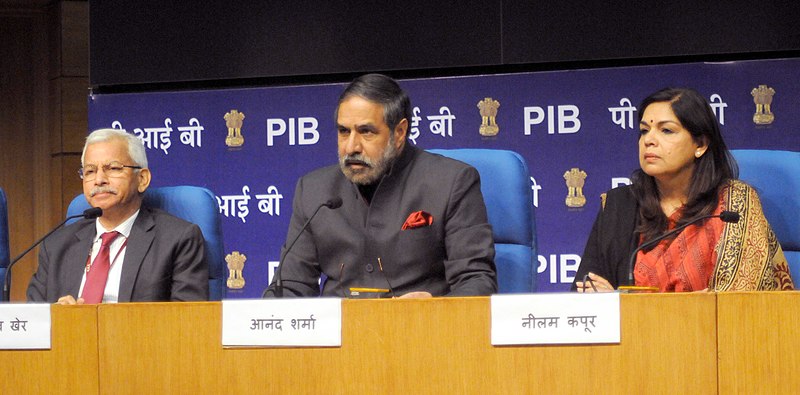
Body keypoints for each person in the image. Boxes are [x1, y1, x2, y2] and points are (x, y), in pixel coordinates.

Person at [264, 73, 497, 298]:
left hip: (419, 331)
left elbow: (477, 282)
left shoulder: (451, 183)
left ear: (399, 133)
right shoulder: (314, 191)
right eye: (344, 131)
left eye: (366, 132)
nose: (351, 146)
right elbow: (290, 288)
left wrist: (434, 310)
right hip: (343, 335)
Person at [573, 87, 793, 292]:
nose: (649, 140)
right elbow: (586, 290)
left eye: (666, 130)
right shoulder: (618, 205)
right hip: (630, 334)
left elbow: (740, 300)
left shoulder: (734, 206)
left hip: (713, 332)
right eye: (644, 130)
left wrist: (624, 305)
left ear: (700, 145)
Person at [27, 128, 209, 303]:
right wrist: (59, 318)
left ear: (142, 179)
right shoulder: (56, 246)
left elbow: (187, 323)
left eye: (113, 168)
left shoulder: (178, 239)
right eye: (90, 171)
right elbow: (34, 323)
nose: (99, 180)